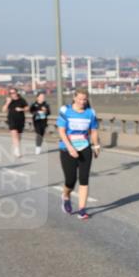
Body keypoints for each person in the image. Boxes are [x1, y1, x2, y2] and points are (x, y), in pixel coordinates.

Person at [56, 89, 100, 220]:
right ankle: (66, 195)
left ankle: (82, 209)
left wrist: (96, 146)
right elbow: (62, 131)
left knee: (84, 179)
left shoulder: (90, 113)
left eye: (84, 99)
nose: (82, 102)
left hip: (85, 148)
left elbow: (93, 131)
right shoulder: (65, 110)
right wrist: (70, 148)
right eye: (80, 99)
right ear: (74, 98)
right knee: (70, 180)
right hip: (67, 148)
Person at [1, 87, 29, 158]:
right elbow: (3, 110)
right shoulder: (9, 100)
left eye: (13, 93)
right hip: (11, 120)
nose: (12, 94)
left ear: (17, 93)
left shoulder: (21, 100)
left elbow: (27, 108)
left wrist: (21, 109)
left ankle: (16, 147)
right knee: (14, 134)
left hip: (20, 120)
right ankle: (17, 151)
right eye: (10, 93)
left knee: (19, 136)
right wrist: (8, 102)